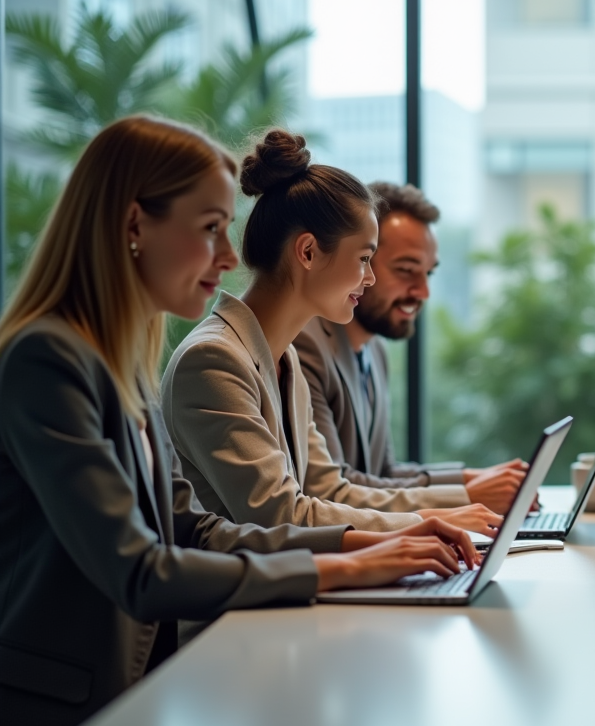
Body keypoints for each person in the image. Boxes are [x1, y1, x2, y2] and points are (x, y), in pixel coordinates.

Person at [0, 116, 480, 726]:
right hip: (65, 713)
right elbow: (140, 570)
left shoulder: (123, 362)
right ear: (135, 226)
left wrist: (365, 547)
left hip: (141, 684)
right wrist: (345, 565)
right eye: (210, 230)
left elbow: (189, 527)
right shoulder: (46, 361)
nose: (229, 257)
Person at [162, 129, 501, 535]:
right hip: (234, 597)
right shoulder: (213, 361)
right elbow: (280, 514)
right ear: (307, 252)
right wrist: (426, 521)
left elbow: (329, 490)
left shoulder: (282, 358)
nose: (370, 277)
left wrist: (443, 515)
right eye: (363, 258)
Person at [292, 182, 528, 515]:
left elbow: (382, 472)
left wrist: (471, 478)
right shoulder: (304, 345)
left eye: (428, 273)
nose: (423, 292)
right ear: (362, 262)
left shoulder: (375, 353)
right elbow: (332, 488)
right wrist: (465, 493)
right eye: (405, 270)